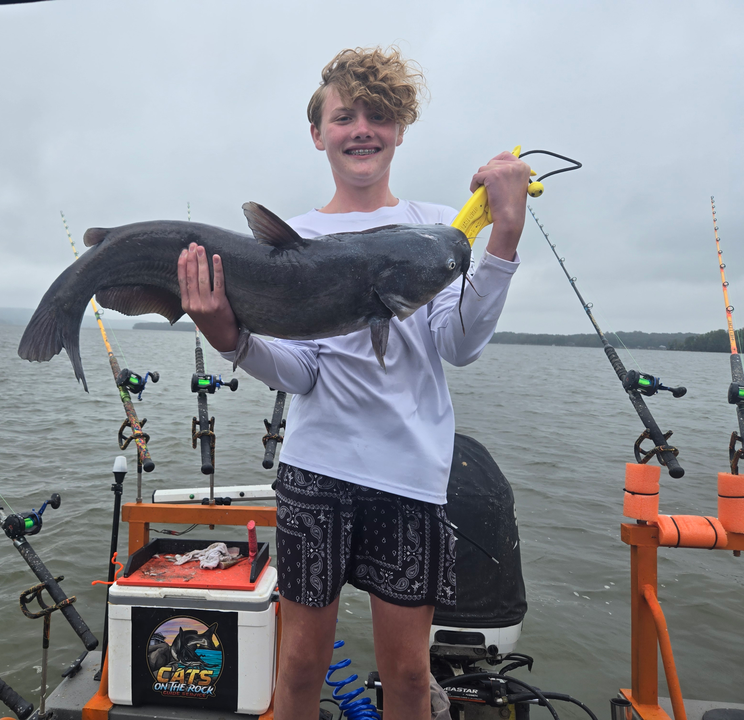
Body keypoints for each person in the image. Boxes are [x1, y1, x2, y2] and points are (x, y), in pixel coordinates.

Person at [177, 47, 530, 720]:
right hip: (317, 471)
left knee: (405, 672)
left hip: (411, 477)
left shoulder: (436, 230)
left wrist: (503, 240)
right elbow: (305, 370)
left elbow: (458, 345)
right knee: (302, 664)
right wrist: (233, 339)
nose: (361, 128)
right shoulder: (296, 241)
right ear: (318, 134)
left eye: (378, 115)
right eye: (344, 116)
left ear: (399, 129)